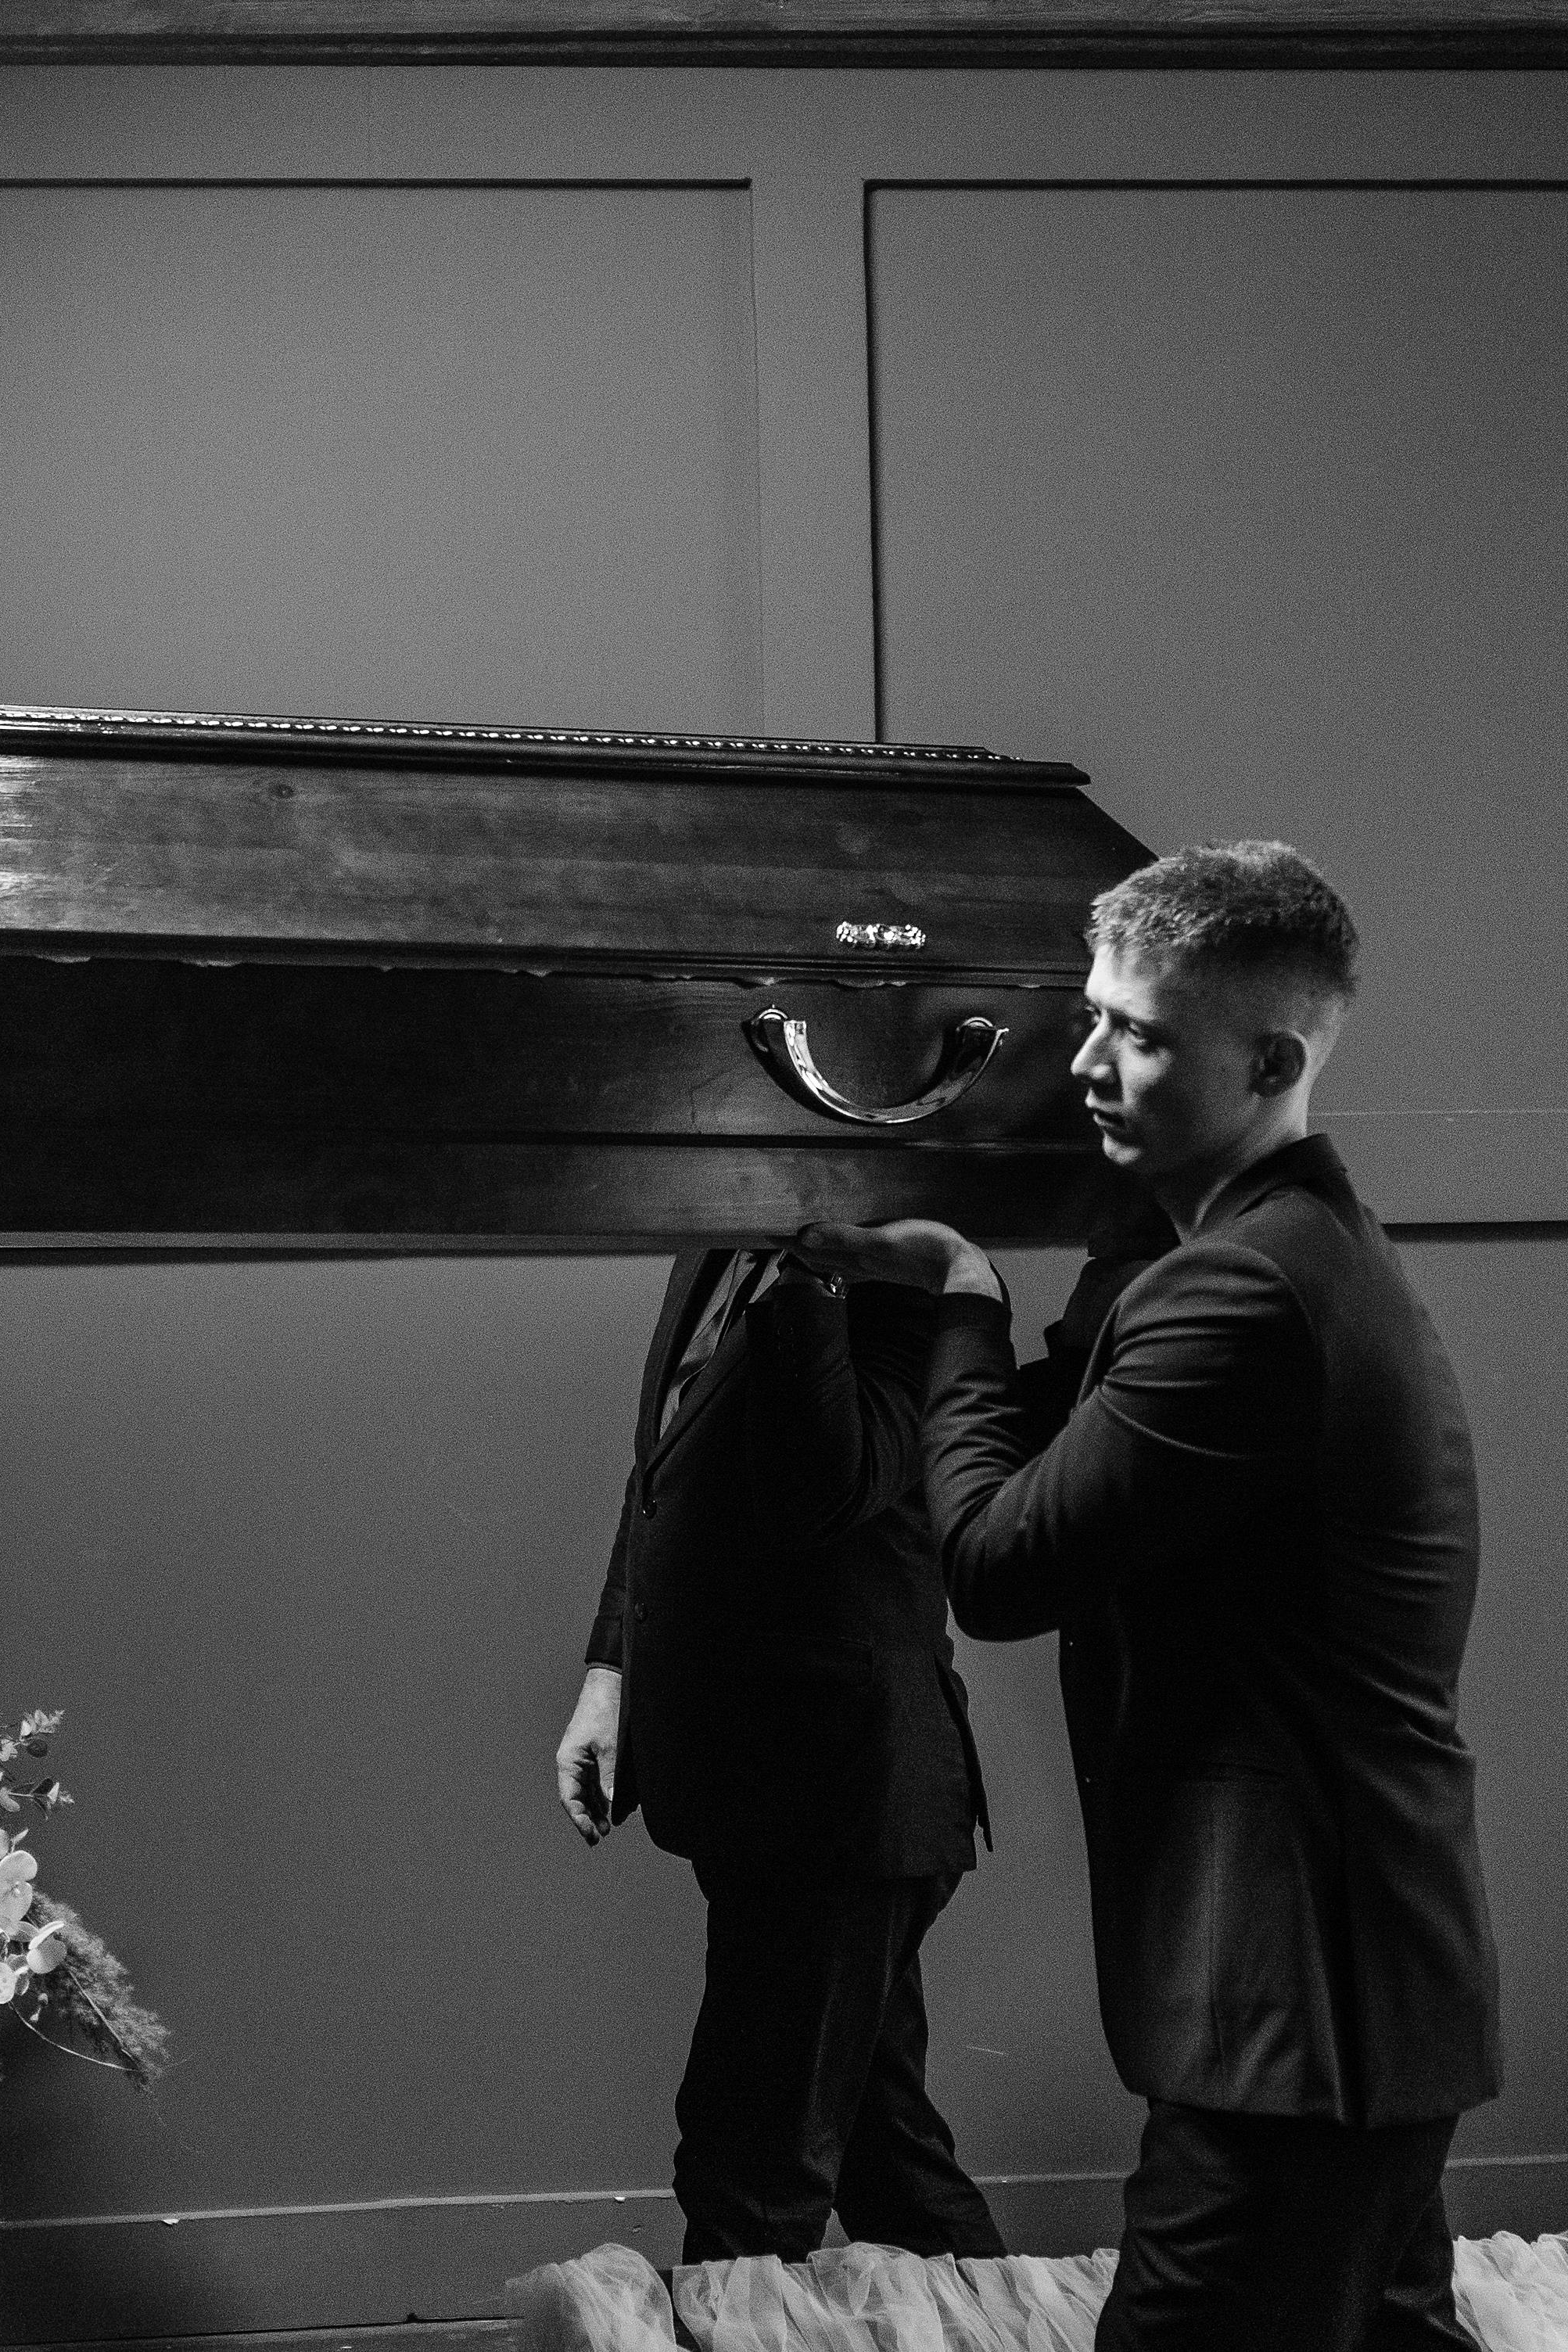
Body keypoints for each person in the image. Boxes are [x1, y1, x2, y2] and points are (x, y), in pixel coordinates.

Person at [801, 839, 1497, 2349]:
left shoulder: (1242, 1293)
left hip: (1292, 2017)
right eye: (1097, 1016)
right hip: (1362, 2000)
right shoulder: (1279, 1253)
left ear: (1269, 1059)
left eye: (1143, 1034)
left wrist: (966, 1311)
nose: (1090, 1060)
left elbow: (994, 1568)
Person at [552, 1232, 1009, 2269]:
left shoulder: (912, 1281)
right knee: (886, 2159)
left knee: (749, 2177)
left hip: (845, 1794)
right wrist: (610, 1676)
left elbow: (832, 1484)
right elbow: (663, 1471)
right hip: (763, 1782)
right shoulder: (715, 1244)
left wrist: (822, 1278)